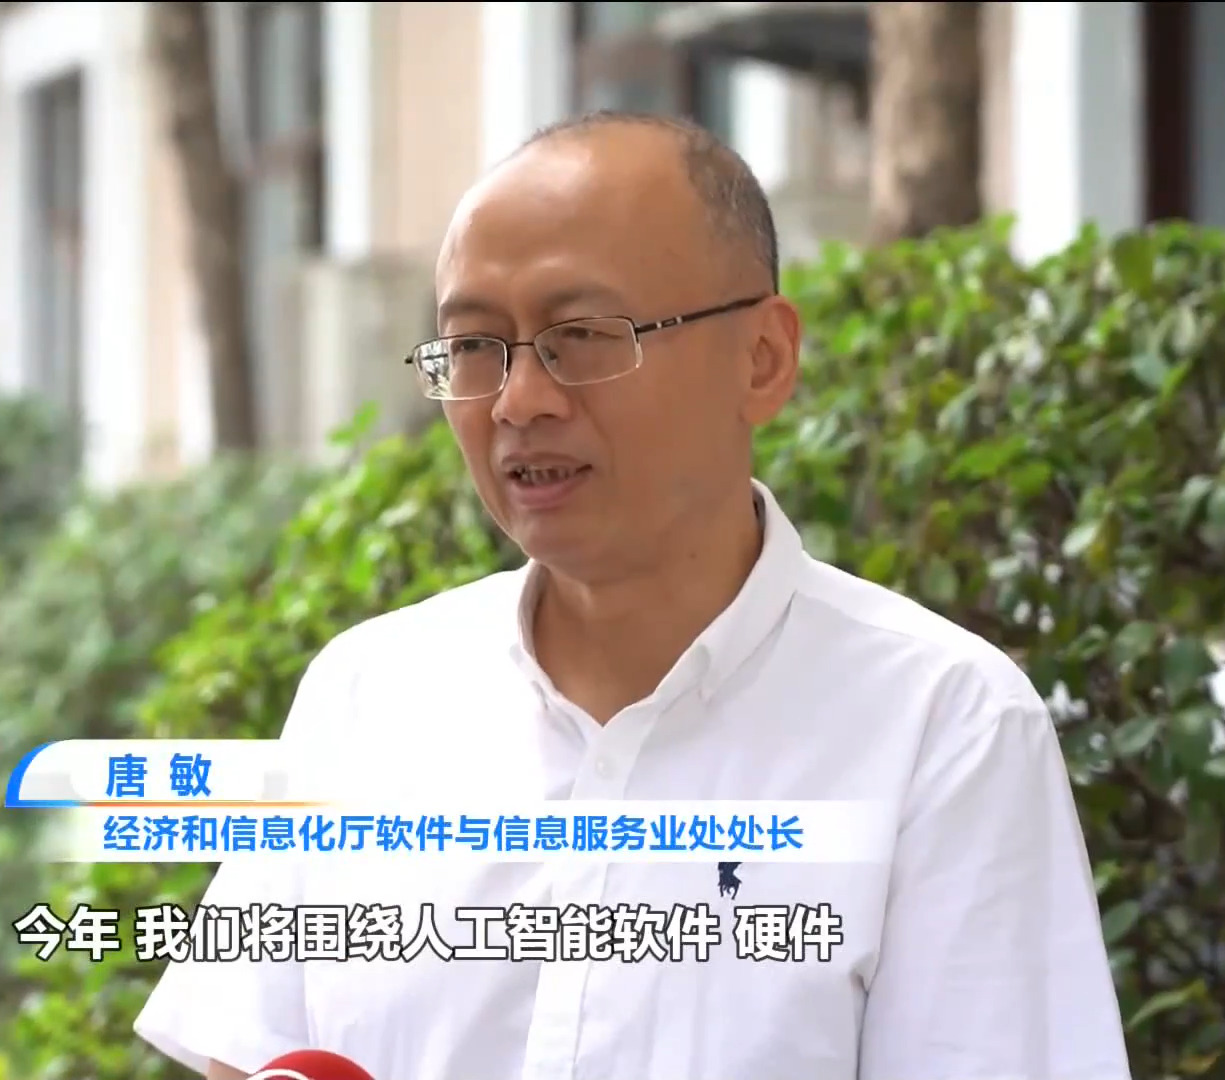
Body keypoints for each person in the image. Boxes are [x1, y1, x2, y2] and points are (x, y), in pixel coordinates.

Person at [134, 111, 1131, 1080]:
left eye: (582, 335)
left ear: (763, 359)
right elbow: (252, 1060)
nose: (520, 401)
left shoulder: (942, 725)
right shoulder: (365, 696)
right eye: (475, 347)